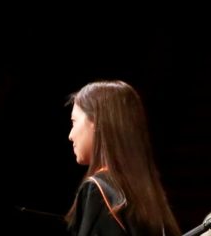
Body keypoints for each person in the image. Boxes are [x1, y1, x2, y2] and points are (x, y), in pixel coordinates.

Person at [65, 80, 180, 236]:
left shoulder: (98, 191)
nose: (70, 136)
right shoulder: (148, 196)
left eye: (74, 122)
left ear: (97, 122)